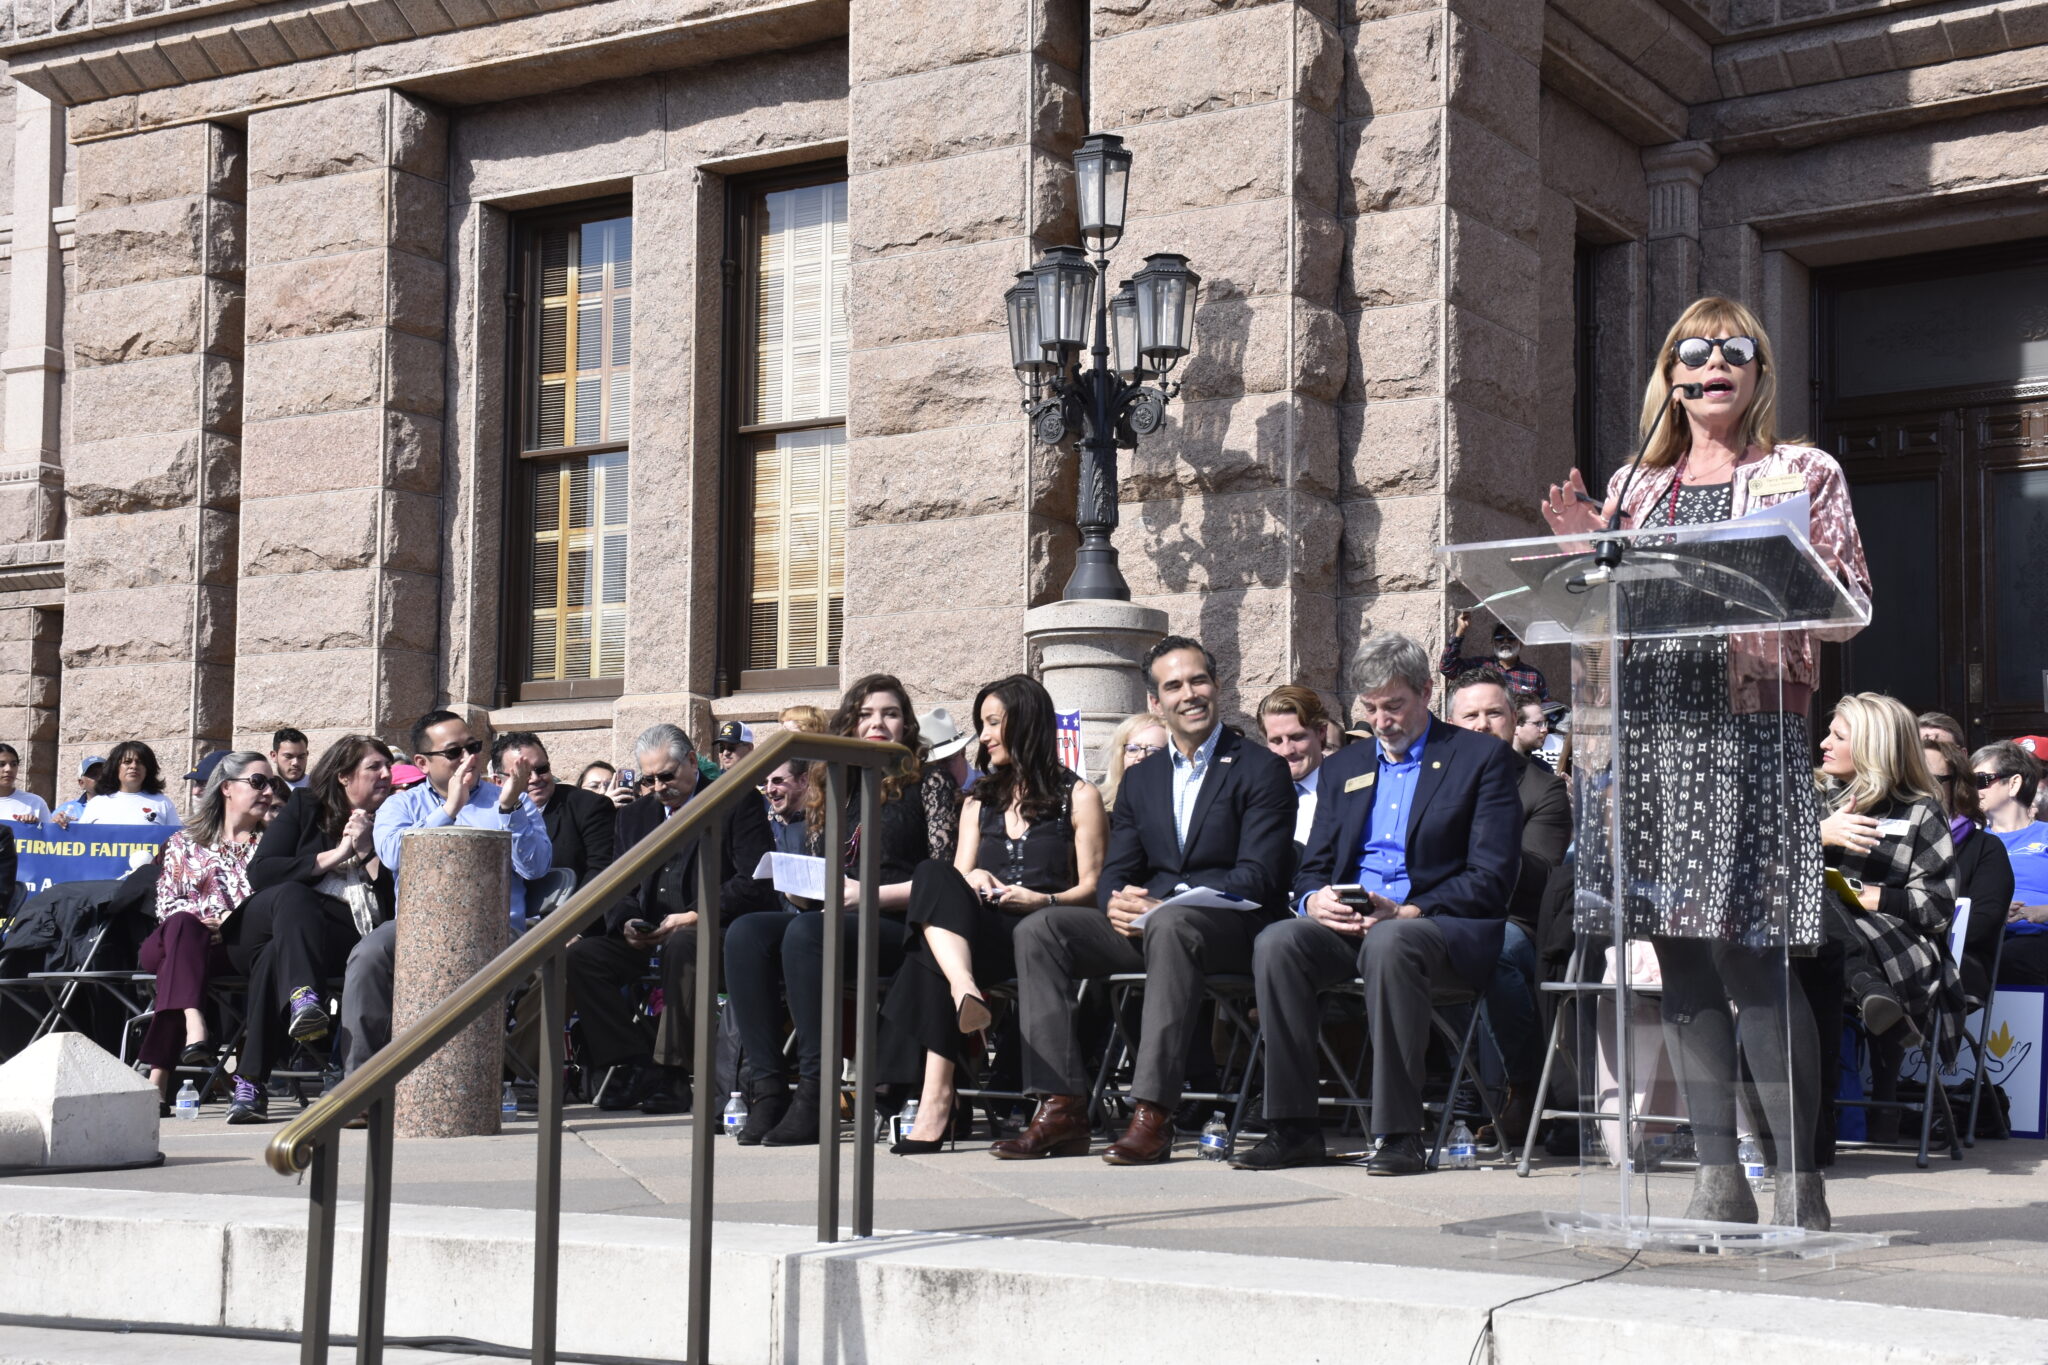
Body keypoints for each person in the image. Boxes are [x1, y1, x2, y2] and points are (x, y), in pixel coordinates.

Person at [1539, 295, 1871, 1231]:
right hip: (1656, 737)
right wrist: (1582, 567)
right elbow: (1604, 620)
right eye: (1694, 349)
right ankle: (1715, 1175)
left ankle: (1796, 1178)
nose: (1713, 360)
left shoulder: (1801, 471)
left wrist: (1781, 565)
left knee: (1754, 960)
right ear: (1671, 377)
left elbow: (1850, 605)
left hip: (1749, 734)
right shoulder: (1636, 488)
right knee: (1680, 959)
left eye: (1735, 349)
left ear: (1759, 371)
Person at [992, 637, 1293, 1165]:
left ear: (1218, 687)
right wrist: (1114, 903)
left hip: (1232, 929)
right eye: (1173, 686)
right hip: (1151, 925)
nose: (1189, 694)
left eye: (1198, 680)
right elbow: (1117, 870)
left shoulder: (1258, 767)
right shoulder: (1143, 777)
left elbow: (1259, 877)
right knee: (1041, 930)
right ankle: (1060, 1105)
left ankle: (1153, 1112)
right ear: (1155, 702)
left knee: (1172, 926)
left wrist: (1167, 905)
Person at [1234, 635, 1522, 1173]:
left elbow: (1492, 875)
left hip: (1435, 925)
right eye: (1370, 708)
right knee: (1277, 941)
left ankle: (1399, 1132)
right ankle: (1292, 1127)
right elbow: (1314, 865)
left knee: (1392, 941)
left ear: (1426, 691)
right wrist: (1314, 899)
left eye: (1394, 705)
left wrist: (1408, 910)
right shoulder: (1346, 768)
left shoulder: (1477, 758)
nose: (1382, 720)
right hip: (1351, 921)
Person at [725, 675, 957, 1146]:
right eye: (866, 714)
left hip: (903, 924)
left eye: (890, 714)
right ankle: (768, 1088)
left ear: (906, 725)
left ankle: (816, 1090)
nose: (878, 724)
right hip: (838, 918)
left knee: (807, 934)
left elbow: (944, 878)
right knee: (747, 933)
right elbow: (822, 874)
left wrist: (866, 897)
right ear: (848, 724)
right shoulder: (834, 786)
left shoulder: (927, 781)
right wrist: (800, 889)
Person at [881, 675, 1107, 1152]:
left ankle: (936, 1100)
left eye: (992, 723)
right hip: (981, 931)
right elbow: (956, 877)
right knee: (933, 874)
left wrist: (1041, 900)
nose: (982, 736)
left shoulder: (1079, 795)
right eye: (981, 725)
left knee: (928, 952)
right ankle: (965, 993)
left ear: (1025, 722)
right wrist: (975, 878)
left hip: (1043, 933)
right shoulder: (979, 800)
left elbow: (1091, 889)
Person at [567, 723, 772, 1115]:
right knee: (583, 958)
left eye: (667, 775)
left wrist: (696, 915)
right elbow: (617, 885)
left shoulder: (734, 802)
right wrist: (626, 922)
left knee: (684, 942)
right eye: (650, 778)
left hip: (716, 930)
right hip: (648, 933)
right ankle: (634, 1061)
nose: (659, 786)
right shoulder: (634, 817)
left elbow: (754, 882)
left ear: (692, 762)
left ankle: (672, 1074)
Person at [227, 736, 397, 1119]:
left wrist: (368, 848)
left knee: (273, 960)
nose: (386, 774)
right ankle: (304, 995)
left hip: (335, 938)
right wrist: (334, 856)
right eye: (374, 767)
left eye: (387, 767)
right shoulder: (305, 806)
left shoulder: (394, 815)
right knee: (293, 893)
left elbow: (393, 903)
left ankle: (250, 1084)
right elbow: (262, 872)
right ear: (342, 776)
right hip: (267, 921)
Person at [1817, 694, 1962, 1141]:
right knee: (1815, 900)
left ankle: (1821, 1125)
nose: (1823, 742)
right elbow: (1764, 871)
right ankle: (1868, 992)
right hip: (1816, 939)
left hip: (1897, 945)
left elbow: (1937, 908)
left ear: (1873, 747)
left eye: (1838, 736)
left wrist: (1865, 895)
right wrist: (1816, 836)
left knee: (1820, 900)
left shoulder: (1920, 810)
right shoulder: (1809, 798)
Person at [1441, 669, 1571, 1149]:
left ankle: (1524, 1085)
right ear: (1450, 723)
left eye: (1493, 713)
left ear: (1513, 721)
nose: (1481, 724)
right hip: (1430, 913)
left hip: (1509, 921)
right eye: (1469, 715)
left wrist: (1489, 834)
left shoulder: (1543, 790)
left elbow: (1539, 878)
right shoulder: (1429, 779)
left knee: (1493, 949)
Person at [138, 751, 276, 1103]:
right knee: (184, 924)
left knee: (177, 968)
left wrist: (229, 923)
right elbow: (167, 903)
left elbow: (269, 906)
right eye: (258, 782)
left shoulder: (271, 848)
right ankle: (194, 1018)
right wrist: (203, 924)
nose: (268, 792)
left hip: (231, 949)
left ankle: (158, 1078)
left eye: (272, 785)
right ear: (227, 787)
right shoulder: (184, 841)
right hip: (178, 937)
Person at [373, 711, 553, 932]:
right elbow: (392, 857)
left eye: (473, 747)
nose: (469, 758)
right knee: (370, 952)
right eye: (454, 752)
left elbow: (535, 869)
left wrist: (509, 809)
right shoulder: (400, 804)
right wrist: (449, 809)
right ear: (422, 763)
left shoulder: (515, 800)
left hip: (495, 930)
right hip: (418, 930)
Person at [1921, 738, 2010, 1011]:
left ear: (1958, 786)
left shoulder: (1986, 848)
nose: (1921, 789)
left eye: (1932, 779)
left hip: (1954, 962)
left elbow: (1983, 922)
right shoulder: (1884, 836)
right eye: (1912, 778)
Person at [492, 731, 615, 914]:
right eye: (523, 774)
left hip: (570, 924)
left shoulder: (589, 806)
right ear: (498, 782)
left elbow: (601, 874)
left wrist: (573, 927)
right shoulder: (486, 815)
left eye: (541, 769)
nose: (535, 779)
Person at [1973, 741, 2048, 986]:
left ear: (2014, 783)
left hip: (2036, 937)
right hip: (1982, 937)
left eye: (1981, 780)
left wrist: (2042, 912)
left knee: (2015, 957)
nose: (1973, 789)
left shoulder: (2045, 835)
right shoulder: (1970, 842)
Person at [1256, 685, 1332, 857]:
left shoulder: (1345, 789)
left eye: (1297, 737)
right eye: (1276, 740)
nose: (1287, 750)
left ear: (1321, 732)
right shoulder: (1256, 793)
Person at [1440, 610, 1548, 702]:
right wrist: (1461, 630)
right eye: (1499, 638)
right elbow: (1447, 667)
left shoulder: (1533, 676)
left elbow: (1545, 708)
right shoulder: (1479, 667)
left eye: (1511, 638)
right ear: (1492, 643)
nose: (1505, 642)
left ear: (1521, 643)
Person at [75, 741, 182, 828]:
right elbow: (78, 841)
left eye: (140, 762)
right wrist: (61, 826)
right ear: (116, 768)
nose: (134, 766)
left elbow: (177, 842)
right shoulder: (97, 804)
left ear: (148, 769)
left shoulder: (163, 803)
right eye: (127, 762)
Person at [1099, 712, 1167, 814]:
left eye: (1153, 750)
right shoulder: (1099, 807)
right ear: (1120, 755)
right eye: (1133, 749)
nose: (1141, 756)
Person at [920, 708, 973, 792]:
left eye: (946, 761)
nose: (939, 773)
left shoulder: (989, 790)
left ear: (963, 752)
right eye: (930, 767)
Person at [0, 743, 50, 824]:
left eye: (13, 764)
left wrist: (34, 827)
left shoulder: (35, 802)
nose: (8, 769)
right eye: (1, 764)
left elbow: (49, 835)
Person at [53, 756, 103, 824]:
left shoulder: (120, 806)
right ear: (81, 783)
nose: (100, 777)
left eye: (104, 773)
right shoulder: (65, 809)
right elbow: (47, 831)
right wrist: (54, 824)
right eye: (93, 774)